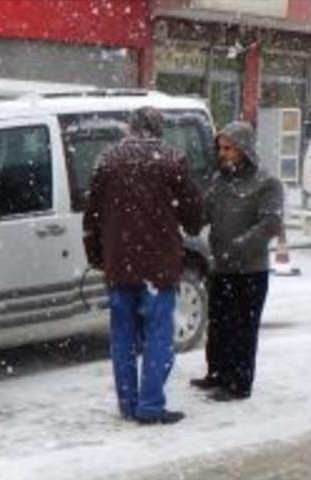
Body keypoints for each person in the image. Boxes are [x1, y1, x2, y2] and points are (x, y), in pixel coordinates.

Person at [83, 106, 204, 425]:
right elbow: (193, 214)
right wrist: (190, 224)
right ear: (158, 129)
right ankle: (150, 405)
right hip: (158, 267)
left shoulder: (106, 161)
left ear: (131, 128)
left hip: (118, 266)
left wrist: (97, 255)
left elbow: (91, 216)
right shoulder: (171, 160)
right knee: (157, 336)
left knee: (122, 338)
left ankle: (127, 403)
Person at [190, 121, 284, 402]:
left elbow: (270, 223)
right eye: (220, 148)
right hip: (221, 267)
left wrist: (239, 247)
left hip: (250, 271)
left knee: (242, 327)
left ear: (244, 149)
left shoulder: (267, 183)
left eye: (229, 148)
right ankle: (216, 373)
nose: (223, 153)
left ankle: (239, 383)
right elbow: (204, 213)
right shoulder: (220, 180)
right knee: (218, 323)